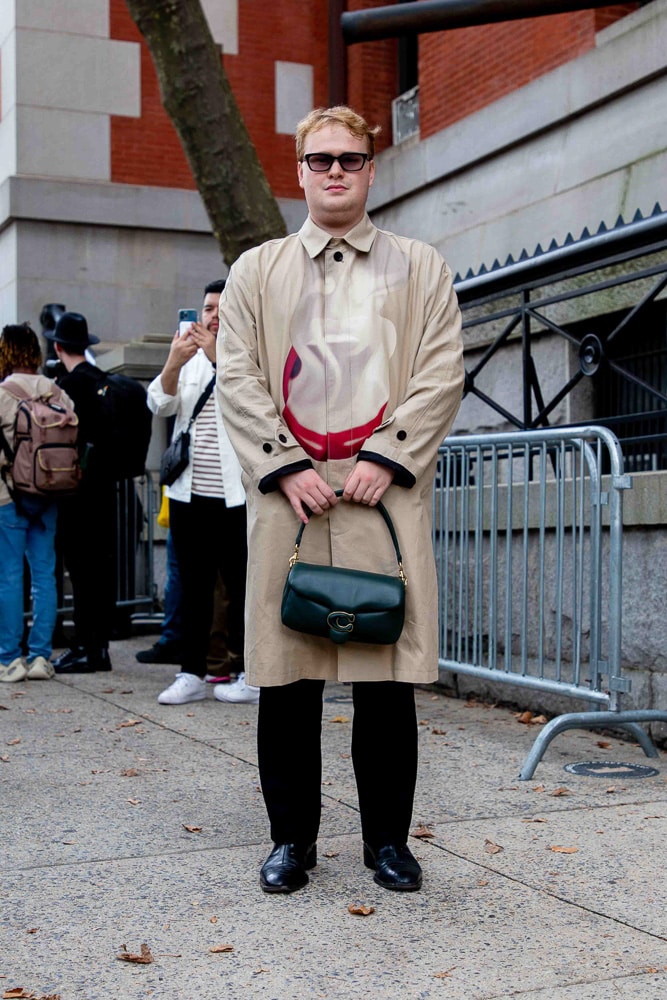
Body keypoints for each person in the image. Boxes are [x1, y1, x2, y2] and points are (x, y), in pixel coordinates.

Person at [216, 106, 465, 894]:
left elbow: (439, 370)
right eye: (320, 160)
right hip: (289, 501)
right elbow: (238, 377)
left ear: (369, 169)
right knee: (285, 681)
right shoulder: (257, 270)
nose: (334, 172)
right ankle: (291, 841)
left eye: (349, 160)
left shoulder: (419, 265)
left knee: (383, 682)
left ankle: (386, 843)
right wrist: (284, 466)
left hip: (378, 502)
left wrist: (387, 457)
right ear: (298, 170)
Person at [147, 280, 256, 705]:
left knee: (242, 587)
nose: (212, 315)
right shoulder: (187, 358)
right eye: (208, 307)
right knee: (193, 589)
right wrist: (174, 362)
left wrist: (215, 354)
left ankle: (250, 673)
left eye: (221, 308)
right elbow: (159, 405)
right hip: (189, 493)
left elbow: (249, 402)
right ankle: (190, 673)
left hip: (237, 496)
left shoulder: (249, 354)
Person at [0, 324, 74, 682]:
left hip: (8, 496)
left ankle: (10, 659)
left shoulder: (3, 392)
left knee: (9, 577)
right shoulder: (55, 391)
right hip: (48, 493)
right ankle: (42, 657)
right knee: (45, 576)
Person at [44, 312, 115, 673]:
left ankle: (86, 645)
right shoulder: (103, 381)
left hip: (76, 490)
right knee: (97, 572)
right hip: (105, 489)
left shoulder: (66, 387)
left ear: (58, 346)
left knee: (81, 572)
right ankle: (98, 646)